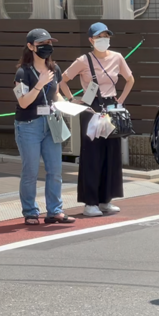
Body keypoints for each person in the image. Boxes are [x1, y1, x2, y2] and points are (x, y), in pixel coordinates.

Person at [60, 22, 134, 217]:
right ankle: (89, 203)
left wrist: (121, 100)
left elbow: (130, 79)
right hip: (91, 109)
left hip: (111, 108)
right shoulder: (83, 60)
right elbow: (63, 80)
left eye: (106, 36)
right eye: (99, 37)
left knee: (111, 154)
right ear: (91, 40)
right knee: (92, 156)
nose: (104, 40)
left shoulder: (117, 57)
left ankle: (105, 200)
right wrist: (71, 99)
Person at [13, 29, 76, 225]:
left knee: (55, 169)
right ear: (31, 47)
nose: (47, 47)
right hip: (28, 125)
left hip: (51, 123)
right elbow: (23, 102)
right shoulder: (22, 73)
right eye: (41, 44)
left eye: (49, 43)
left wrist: (66, 104)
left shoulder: (54, 69)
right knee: (30, 171)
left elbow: (56, 94)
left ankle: (54, 210)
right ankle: (31, 211)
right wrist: (39, 84)